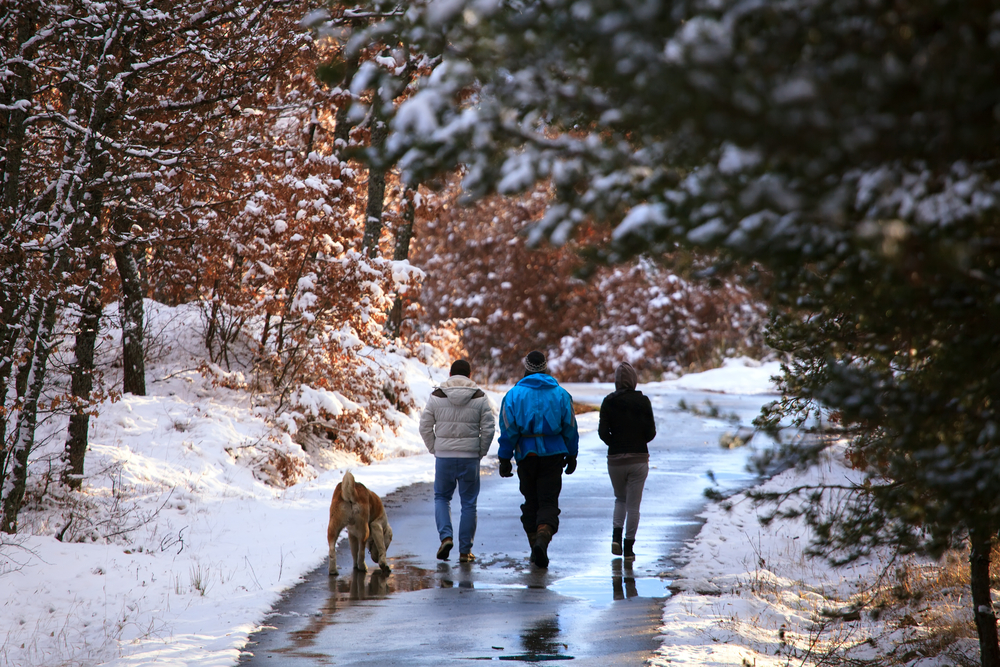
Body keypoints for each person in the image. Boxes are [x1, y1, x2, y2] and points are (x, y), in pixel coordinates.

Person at [497, 350, 580, 568]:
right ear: (545, 368)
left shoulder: (513, 396)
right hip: (553, 456)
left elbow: (508, 429)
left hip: (527, 457)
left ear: (526, 368)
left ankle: (535, 543)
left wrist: (504, 458)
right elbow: (570, 426)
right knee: (548, 501)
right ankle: (542, 539)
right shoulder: (561, 394)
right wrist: (572, 453)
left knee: (531, 502)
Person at [419, 359, 495, 563]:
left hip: (444, 457)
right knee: (469, 503)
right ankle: (464, 551)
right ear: (469, 376)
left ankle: (446, 537)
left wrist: (435, 448)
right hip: (470, 458)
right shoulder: (479, 396)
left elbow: (424, 426)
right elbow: (488, 428)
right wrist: (479, 451)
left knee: (442, 498)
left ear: (450, 375)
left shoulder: (437, 396)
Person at [598, 361, 656, 561]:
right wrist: (638, 441)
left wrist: (615, 443)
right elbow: (651, 432)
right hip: (638, 458)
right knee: (633, 506)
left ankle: (616, 538)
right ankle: (629, 548)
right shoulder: (643, 401)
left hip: (615, 460)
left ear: (616, 382)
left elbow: (602, 432)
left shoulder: (608, 402)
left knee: (620, 499)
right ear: (634, 380)